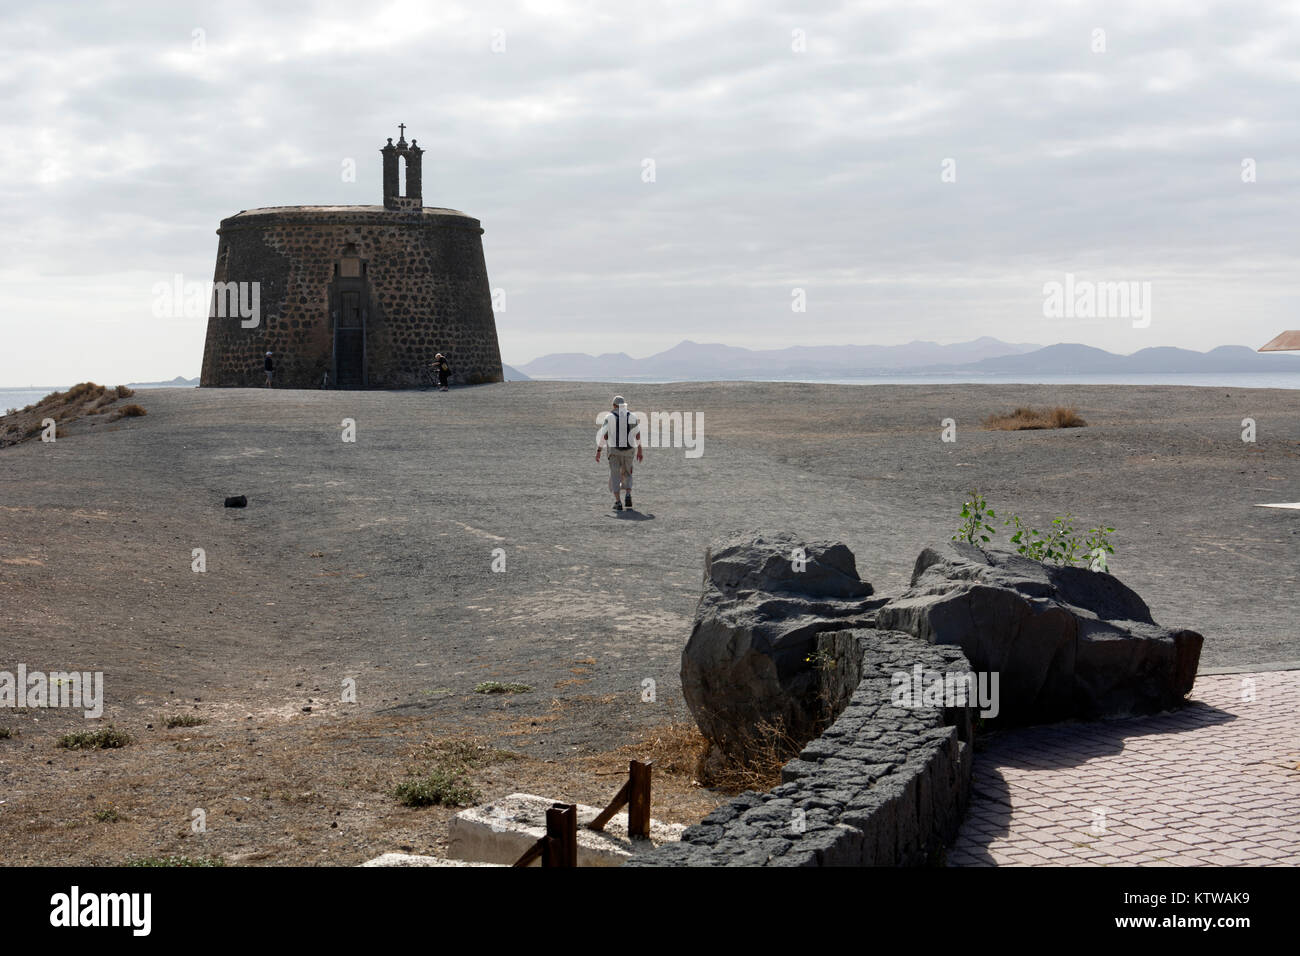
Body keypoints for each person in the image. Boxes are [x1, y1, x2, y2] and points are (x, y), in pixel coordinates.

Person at [595, 395, 642, 511]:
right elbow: (637, 435)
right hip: (629, 451)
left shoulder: (609, 417)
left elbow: (604, 436)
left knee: (615, 475)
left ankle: (618, 502)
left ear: (614, 405)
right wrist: (640, 450)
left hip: (614, 451)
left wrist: (599, 451)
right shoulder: (632, 416)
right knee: (628, 473)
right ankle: (628, 494)